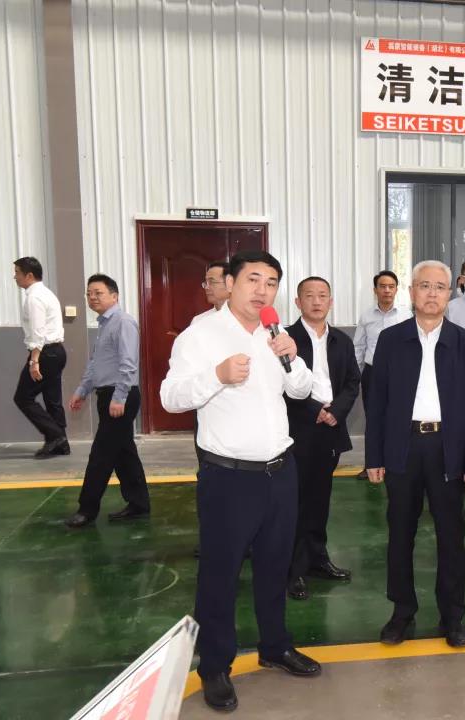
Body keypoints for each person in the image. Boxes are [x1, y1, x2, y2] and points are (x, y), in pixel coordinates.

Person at [160, 250, 322, 713]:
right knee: (220, 574)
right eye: (253, 279)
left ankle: (275, 646)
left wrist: (292, 357)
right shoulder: (200, 335)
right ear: (230, 283)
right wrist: (217, 375)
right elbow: (170, 397)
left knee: (275, 565)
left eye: (271, 282)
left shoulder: (276, 332)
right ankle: (214, 666)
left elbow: (302, 390)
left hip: (280, 472)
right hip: (229, 478)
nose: (262, 290)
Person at [365, 260, 465, 649]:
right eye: (424, 286)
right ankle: (402, 612)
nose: (432, 293)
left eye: (439, 287)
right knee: (400, 533)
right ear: (411, 291)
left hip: (448, 448)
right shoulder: (390, 339)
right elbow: (377, 403)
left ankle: (453, 615)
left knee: (451, 536)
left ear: (450, 293)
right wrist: (374, 456)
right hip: (403, 447)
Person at [284, 277, 361, 601]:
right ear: (298, 302)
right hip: (298, 429)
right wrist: (315, 409)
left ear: (331, 302)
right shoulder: (284, 339)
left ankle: (317, 559)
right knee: (296, 502)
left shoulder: (342, 340)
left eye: (322, 296)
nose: (316, 301)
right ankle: (293, 570)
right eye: (309, 296)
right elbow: (280, 384)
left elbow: (353, 381)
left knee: (320, 498)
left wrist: (336, 411)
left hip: (331, 427)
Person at [64, 274, 149, 528]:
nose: (92, 298)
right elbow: (95, 364)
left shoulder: (123, 322)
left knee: (101, 454)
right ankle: (139, 503)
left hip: (119, 396)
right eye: (89, 293)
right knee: (123, 453)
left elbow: (128, 364)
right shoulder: (104, 325)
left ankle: (87, 509)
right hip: (107, 395)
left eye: (98, 293)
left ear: (114, 296)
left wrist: (119, 397)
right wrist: (82, 390)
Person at [353, 271, 412, 479]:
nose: (387, 290)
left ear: (396, 289)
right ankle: (372, 463)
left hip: (401, 375)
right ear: (375, 290)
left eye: (391, 286)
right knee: (374, 418)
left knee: (400, 418)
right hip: (373, 373)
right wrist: (356, 376)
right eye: (382, 286)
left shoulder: (406, 315)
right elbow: (359, 347)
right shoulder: (366, 316)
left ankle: (398, 461)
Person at [11, 257, 69, 458]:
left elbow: (38, 332)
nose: (15, 277)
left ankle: (55, 436)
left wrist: (34, 360)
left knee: (23, 398)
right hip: (56, 352)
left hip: (44, 353)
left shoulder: (34, 297)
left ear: (29, 275)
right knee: (53, 399)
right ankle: (62, 444)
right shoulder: (47, 293)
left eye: (17, 273)